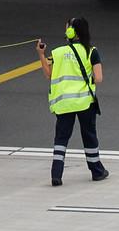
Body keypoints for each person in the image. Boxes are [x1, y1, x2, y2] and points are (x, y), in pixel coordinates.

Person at [36, 17, 108, 186]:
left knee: (61, 138)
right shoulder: (92, 51)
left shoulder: (58, 53)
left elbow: (48, 75)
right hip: (85, 102)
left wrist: (41, 54)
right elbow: (98, 78)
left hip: (64, 103)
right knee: (89, 136)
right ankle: (97, 171)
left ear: (70, 32)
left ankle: (56, 174)